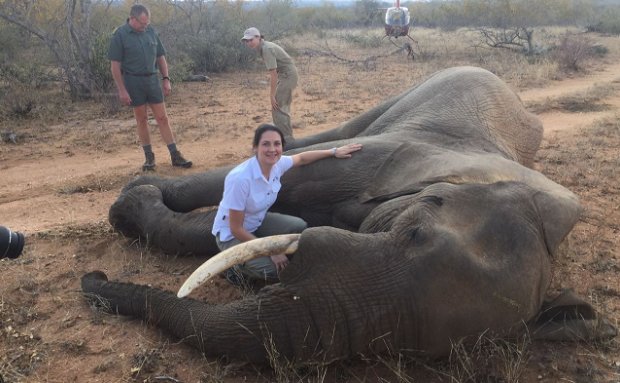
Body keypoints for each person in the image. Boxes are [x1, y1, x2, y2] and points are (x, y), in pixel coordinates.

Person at [212, 124, 362, 286]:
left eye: (277, 144)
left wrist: (333, 151)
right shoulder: (240, 179)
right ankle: (233, 269)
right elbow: (236, 229)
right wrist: (270, 250)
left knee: (299, 227)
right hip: (232, 235)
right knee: (274, 270)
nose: (272, 149)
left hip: (256, 223)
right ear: (255, 147)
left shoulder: (277, 164)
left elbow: (302, 158)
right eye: (266, 144)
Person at [108, 4, 192, 171]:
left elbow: (160, 56)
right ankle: (149, 158)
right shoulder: (120, 35)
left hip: (152, 80)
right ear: (132, 19)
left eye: (147, 23)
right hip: (133, 82)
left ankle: (175, 155)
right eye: (142, 23)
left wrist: (166, 79)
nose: (144, 26)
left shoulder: (151, 32)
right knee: (142, 119)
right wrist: (122, 89)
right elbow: (115, 66)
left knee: (163, 118)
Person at [241, 27, 298, 144]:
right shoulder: (263, 47)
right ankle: (283, 136)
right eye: (246, 41)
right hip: (286, 74)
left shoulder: (266, 49)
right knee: (280, 106)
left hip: (287, 75)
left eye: (250, 40)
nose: (248, 43)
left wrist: (272, 95)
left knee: (278, 107)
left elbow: (273, 74)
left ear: (258, 37)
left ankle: (288, 141)